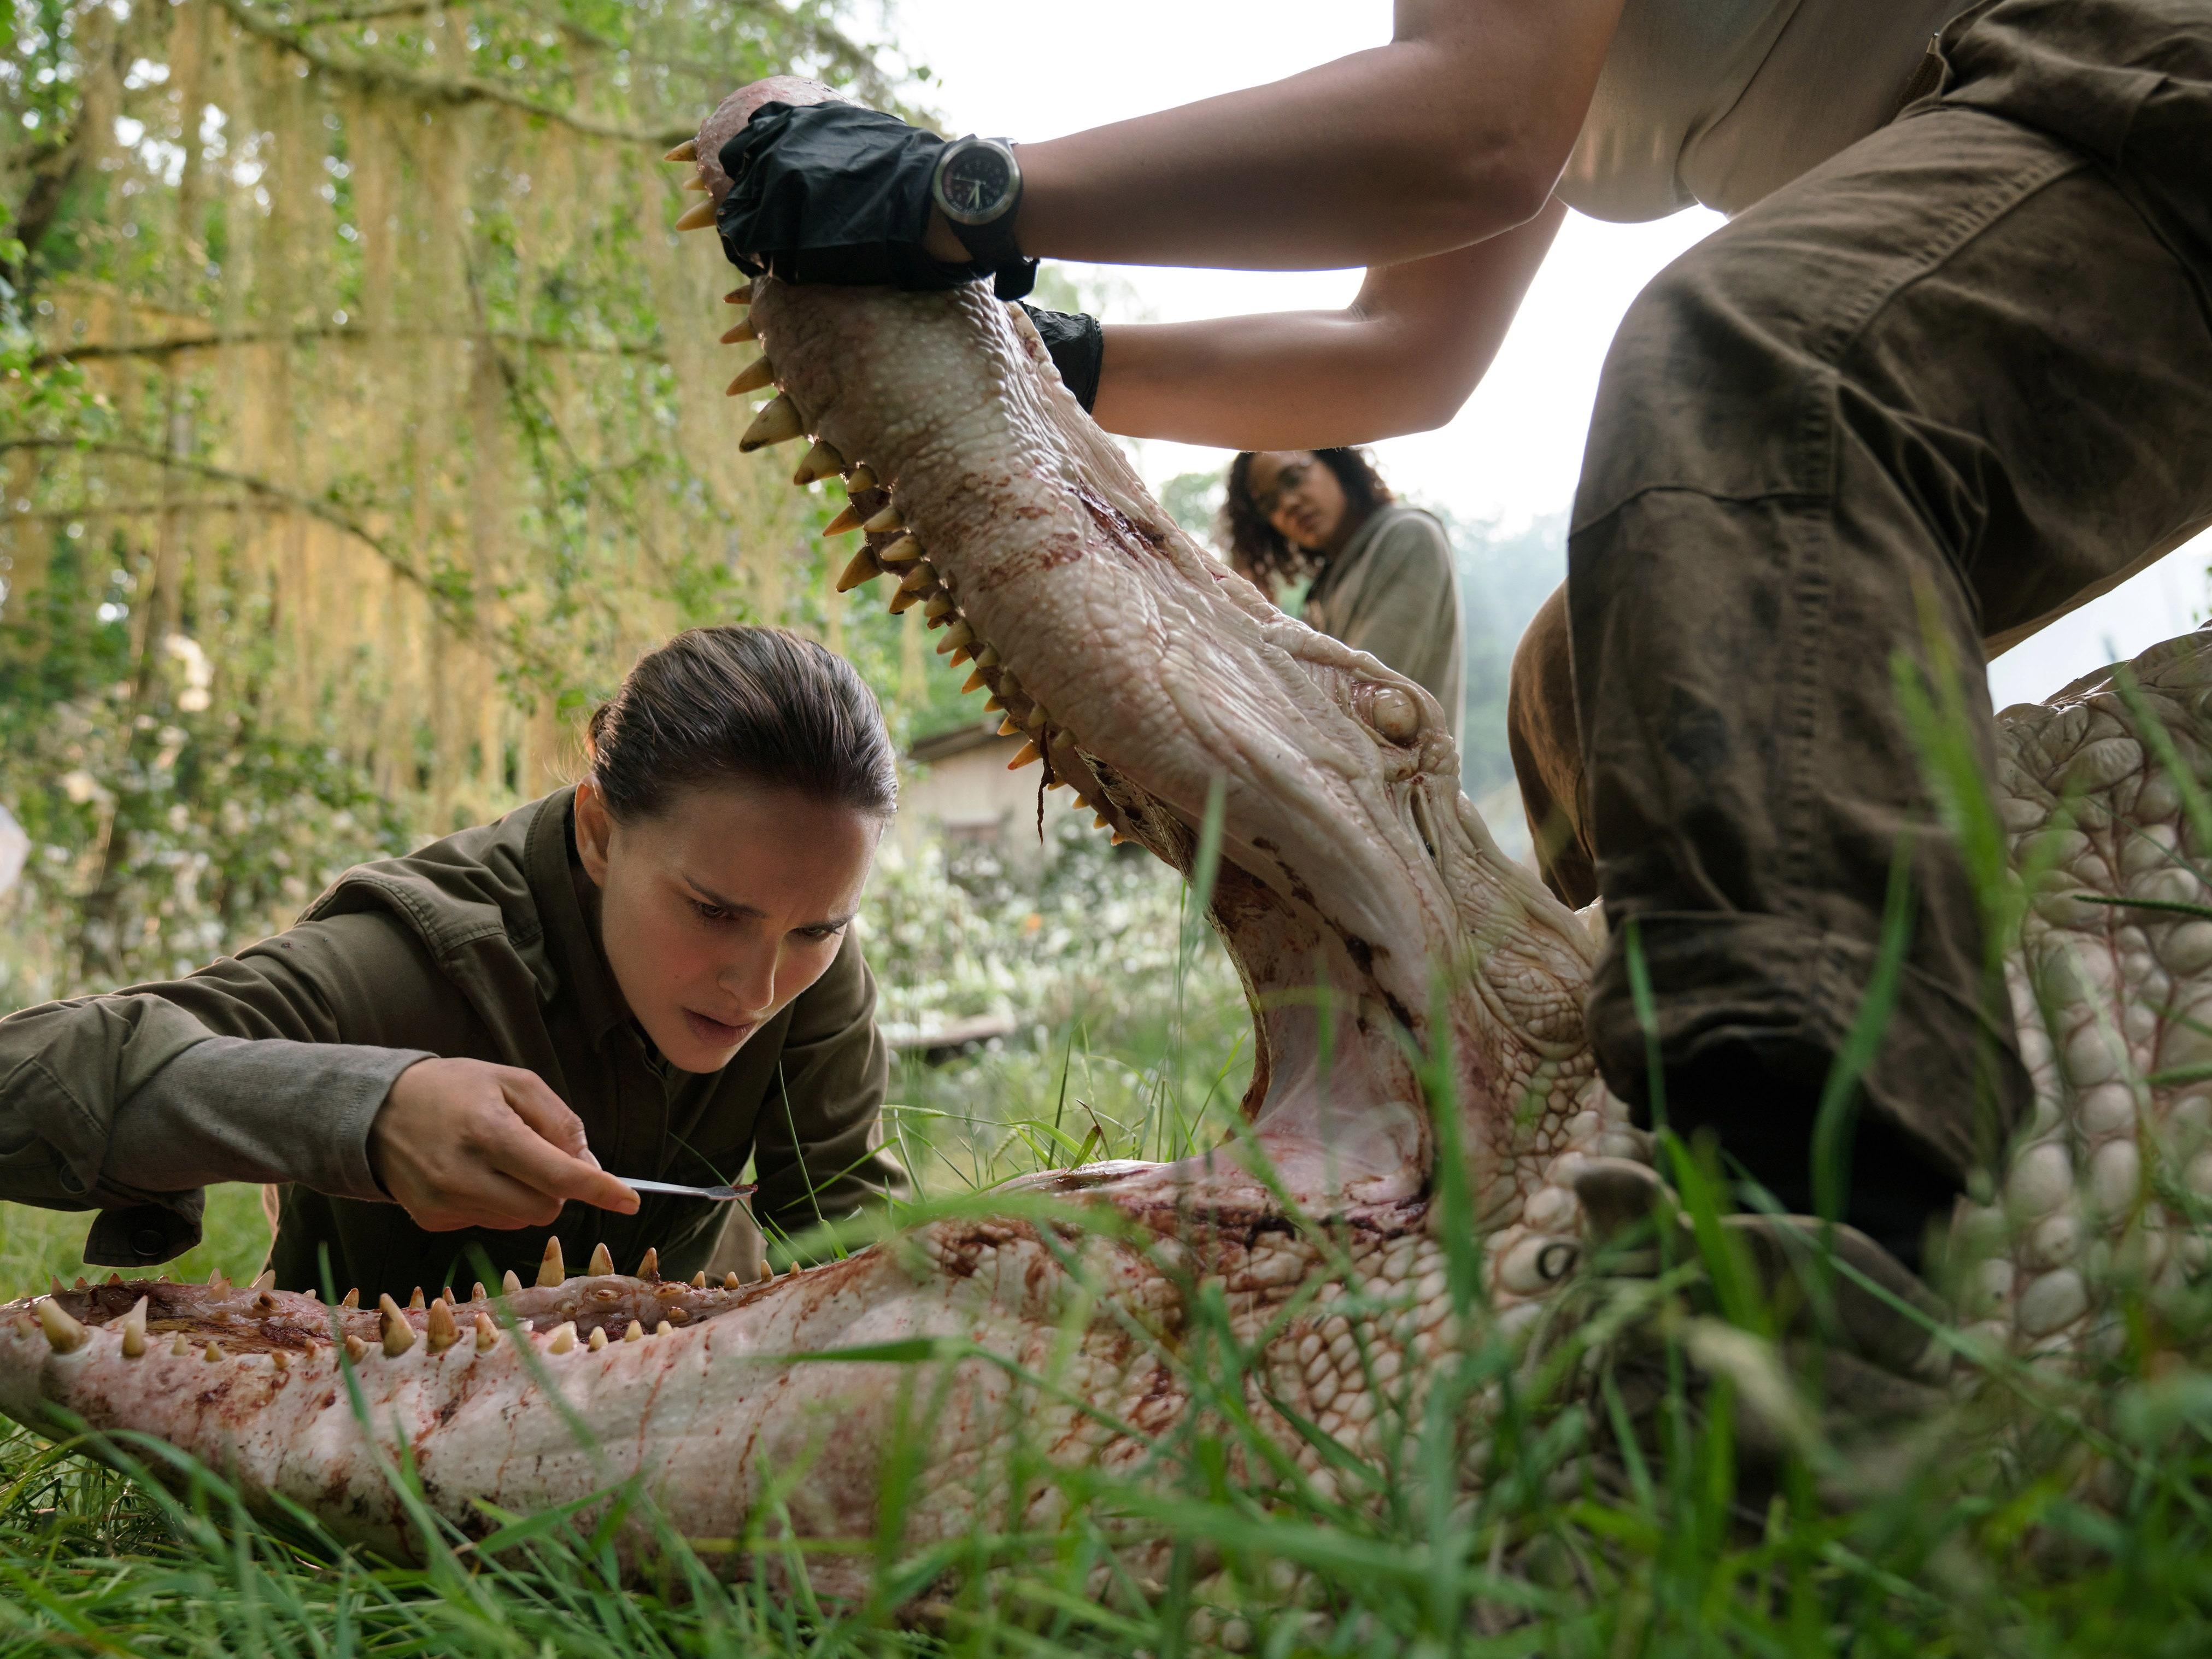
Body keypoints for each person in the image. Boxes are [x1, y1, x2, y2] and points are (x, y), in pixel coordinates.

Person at [698, 0, 2212, 1275]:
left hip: (2123, 80)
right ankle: (1618, 1100)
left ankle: (1799, 1253)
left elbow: (1462, 138)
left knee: (1743, 369)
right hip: (2009, 176)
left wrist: (954, 191)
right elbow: (1401, 353)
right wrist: (1044, 358)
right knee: (1591, 674)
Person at [0, 626, 906, 1298]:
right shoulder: (416, 956)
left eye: (816, 930)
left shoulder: (805, 955)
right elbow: (21, 1080)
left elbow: (851, 1246)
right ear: (598, 830)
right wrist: (365, 1111)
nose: (759, 986)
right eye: (712, 912)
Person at [1220, 448, 1463, 739]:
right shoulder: (1328, 585)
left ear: (1335, 463)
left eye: (1294, 478)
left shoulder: (1409, 536)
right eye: (1270, 504)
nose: (1288, 503)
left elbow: (1365, 700)